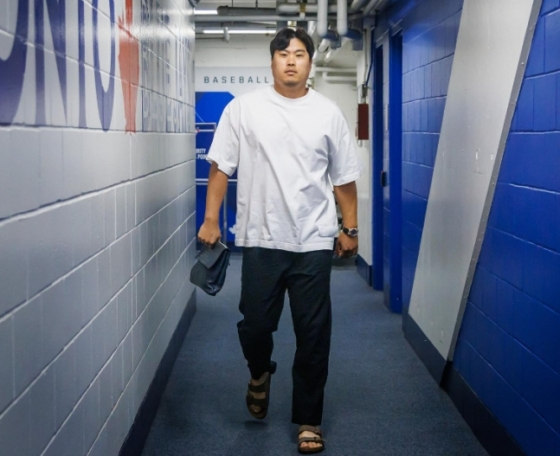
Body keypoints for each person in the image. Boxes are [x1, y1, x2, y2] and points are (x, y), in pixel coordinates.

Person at [197, 27, 362, 454]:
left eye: (300, 54)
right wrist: (211, 219)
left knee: (313, 334)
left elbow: (344, 178)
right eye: (283, 53)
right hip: (261, 237)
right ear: (271, 61)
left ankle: (309, 420)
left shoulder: (327, 113)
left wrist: (349, 228)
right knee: (255, 325)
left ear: (310, 62)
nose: (291, 60)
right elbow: (221, 166)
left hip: (313, 239)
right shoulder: (244, 109)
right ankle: (259, 371)